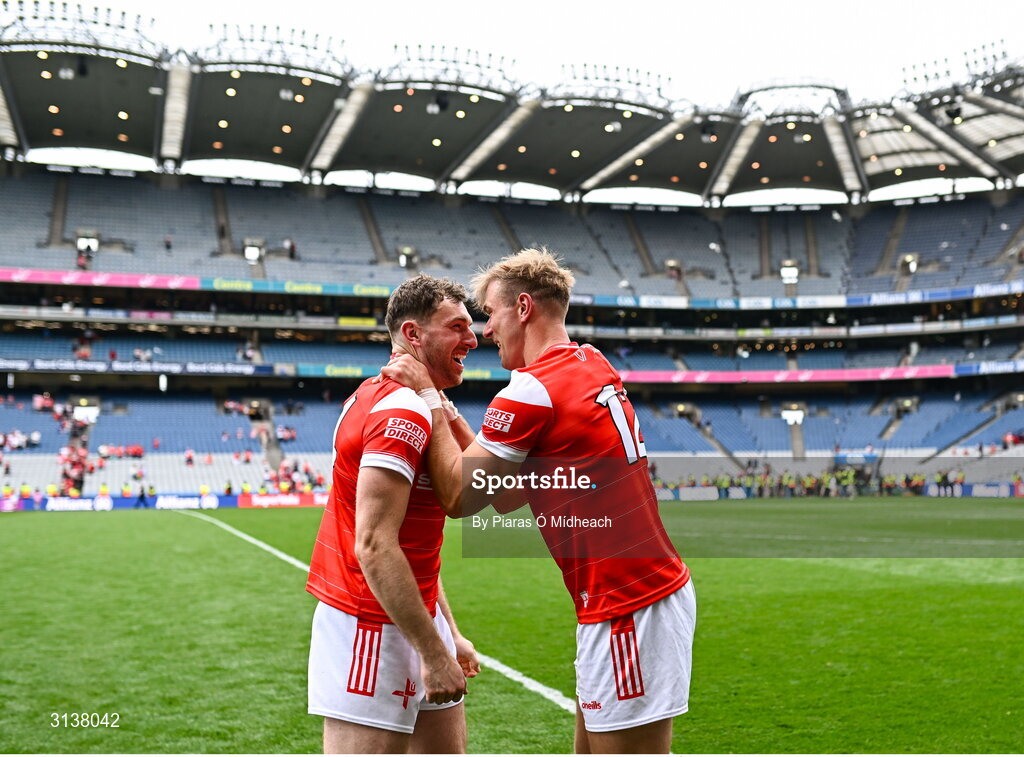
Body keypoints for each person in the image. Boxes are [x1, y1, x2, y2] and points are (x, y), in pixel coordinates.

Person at [383, 249, 695, 754]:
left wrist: (428, 399)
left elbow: (462, 498)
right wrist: (444, 405)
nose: (485, 331)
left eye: (489, 313)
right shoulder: (589, 360)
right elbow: (505, 498)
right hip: (628, 597)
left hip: (628, 603)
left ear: (523, 307)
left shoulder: (531, 390)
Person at [306, 274, 481, 754]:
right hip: (370, 624)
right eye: (458, 327)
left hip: (415, 617)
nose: (473, 338)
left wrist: (448, 632)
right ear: (412, 334)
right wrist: (432, 649)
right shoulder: (399, 412)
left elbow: (413, 542)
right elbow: (375, 545)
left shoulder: (386, 399)